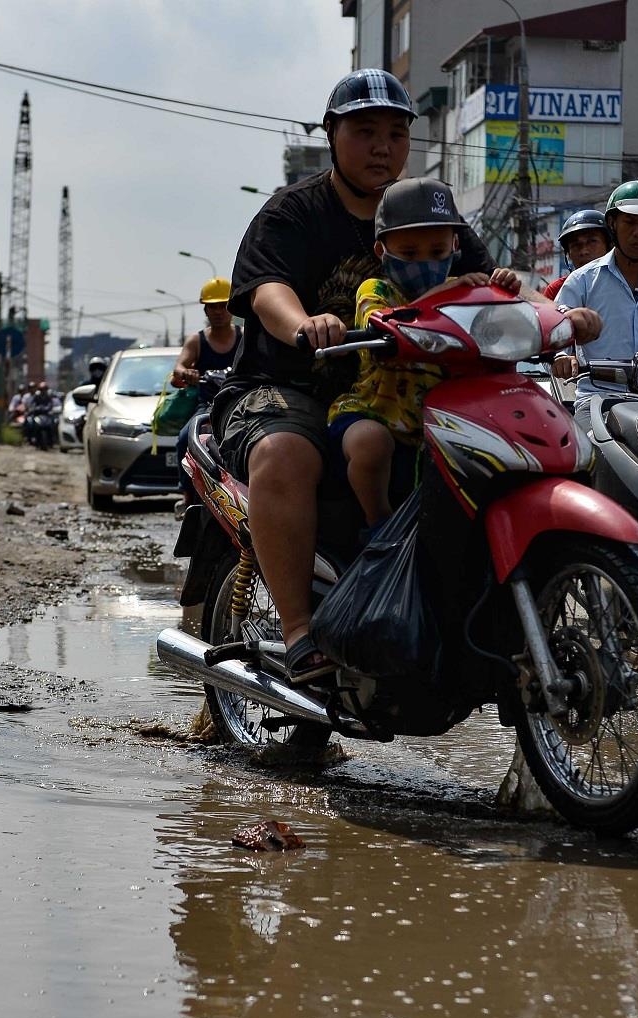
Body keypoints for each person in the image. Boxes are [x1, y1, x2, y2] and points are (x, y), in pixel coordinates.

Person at [224, 68, 599, 683]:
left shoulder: (427, 210)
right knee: (285, 453)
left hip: (413, 385)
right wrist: (305, 325)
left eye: (396, 134)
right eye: (365, 131)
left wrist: (557, 316)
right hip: (294, 385)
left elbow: (491, 287)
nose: (381, 147)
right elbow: (267, 290)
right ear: (332, 135)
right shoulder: (293, 212)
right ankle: (298, 635)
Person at [328, 178, 523, 527]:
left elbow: (503, 326)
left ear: (455, 246)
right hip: (373, 413)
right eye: (409, 253)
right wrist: (441, 294)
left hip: (442, 425)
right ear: (381, 253)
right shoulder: (376, 289)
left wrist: (502, 291)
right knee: (371, 444)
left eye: (436, 252)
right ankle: (380, 527)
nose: (425, 263)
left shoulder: (466, 292)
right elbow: (382, 324)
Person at [552, 181, 638, 424]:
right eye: (630, 222)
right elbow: (554, 326)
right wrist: (560, 357)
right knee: (589, 457)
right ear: (612, 224)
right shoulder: (582, 280)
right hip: (597, 400)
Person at [171, 277, 239, 388]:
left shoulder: (245, 337)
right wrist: (187, 373)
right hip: (207, 402)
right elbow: (178, 368)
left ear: (232, 308)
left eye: (223, 306)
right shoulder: (196, 341)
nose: (218, 312)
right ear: (206, 311)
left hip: (241, 400)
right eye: (213, 307)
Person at [542, 209, 610, 299]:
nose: (584, 251)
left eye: (592, 242)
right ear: (568, 254)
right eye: (576, 245)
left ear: (609, 247)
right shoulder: (556, 290)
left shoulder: (625, 283)